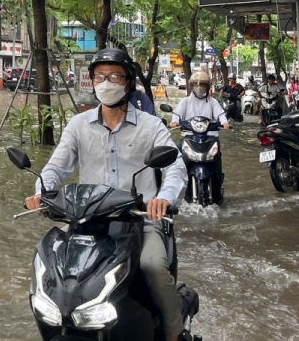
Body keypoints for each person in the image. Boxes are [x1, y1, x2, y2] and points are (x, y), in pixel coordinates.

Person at [23, 48, 187, 341]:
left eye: (114, 76)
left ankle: (174, 333)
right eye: (99, 76)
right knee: (49, 269)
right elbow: (55, 168)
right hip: (86, 222)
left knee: (154, 268)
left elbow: (176, 167)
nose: (106, 82)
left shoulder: (150, 126)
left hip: (139, 221)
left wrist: (164, 198)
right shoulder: (78, 126)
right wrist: (41, 193)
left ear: (128, 82)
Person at [173, 70, 231, 202]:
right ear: (191, 86)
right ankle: (176, 185)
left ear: (208, 86)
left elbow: (221, 115)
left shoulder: (213, 102)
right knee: (175, 157)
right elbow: (176, 115)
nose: (199, 87)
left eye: (203, 84)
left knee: (217, 158)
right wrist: (174, 122)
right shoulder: (185, 102)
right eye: (196, 84)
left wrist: (225, 123)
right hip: (189, 137)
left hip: (210, 138)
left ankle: (218, 183)